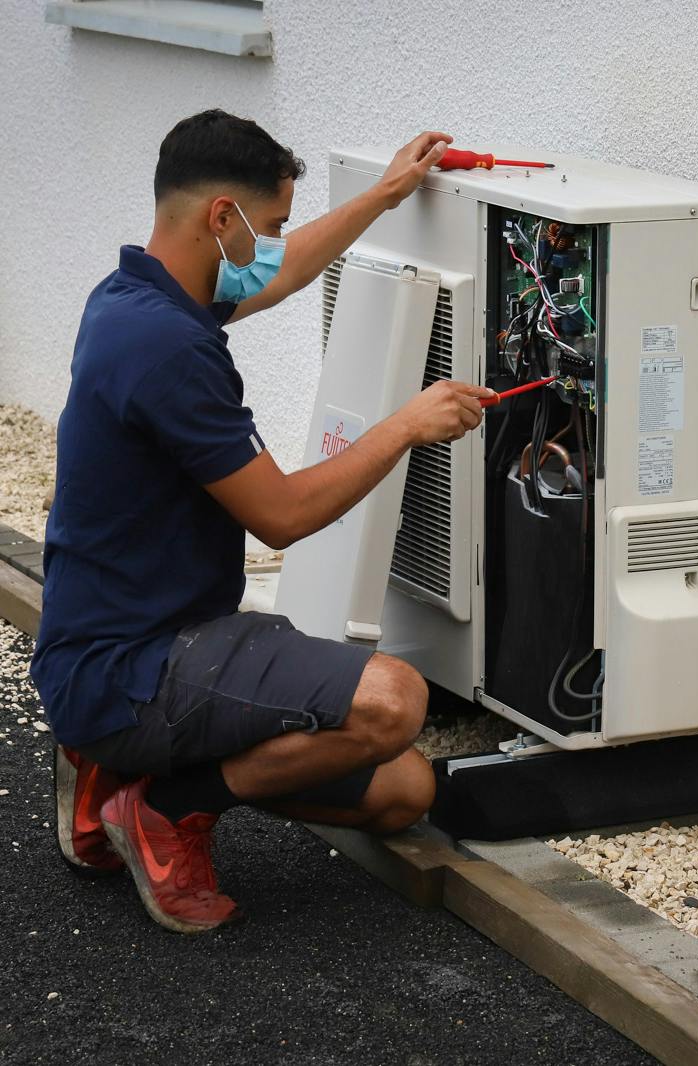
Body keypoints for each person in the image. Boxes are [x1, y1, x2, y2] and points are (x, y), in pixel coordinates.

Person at [31, 109, 494, 934]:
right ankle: (161, 804)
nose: (272, 244)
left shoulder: (136, 296)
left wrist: (387, 194)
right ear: (221, 217)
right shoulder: (168, 351)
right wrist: (405, 424)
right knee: (392, 702)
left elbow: (275, 276)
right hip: (134, 662)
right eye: (268, 223)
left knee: (403, 791)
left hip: (129, 641)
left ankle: (111, 768)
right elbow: (281, 517)